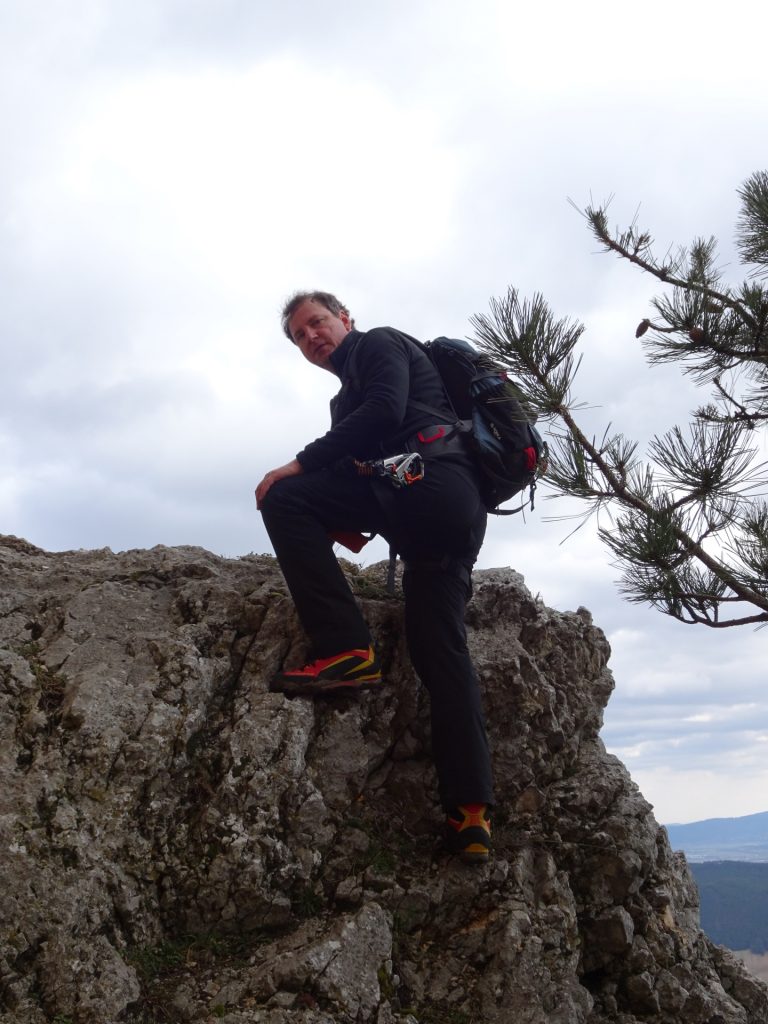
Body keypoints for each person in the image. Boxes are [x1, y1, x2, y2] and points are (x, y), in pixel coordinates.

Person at [255, 291, 494, 861]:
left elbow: (386, 413)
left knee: (282, 497)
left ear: (345, 319)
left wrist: (296, 464)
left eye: (317, 322)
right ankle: (470, 814)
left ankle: (345, 648)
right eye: (299, 335)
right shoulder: (346, 402)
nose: (311, 336)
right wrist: (339, 509)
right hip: (443, 520)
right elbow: (355, 456)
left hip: (430, 484)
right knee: (440, 651)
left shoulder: (379, 344)